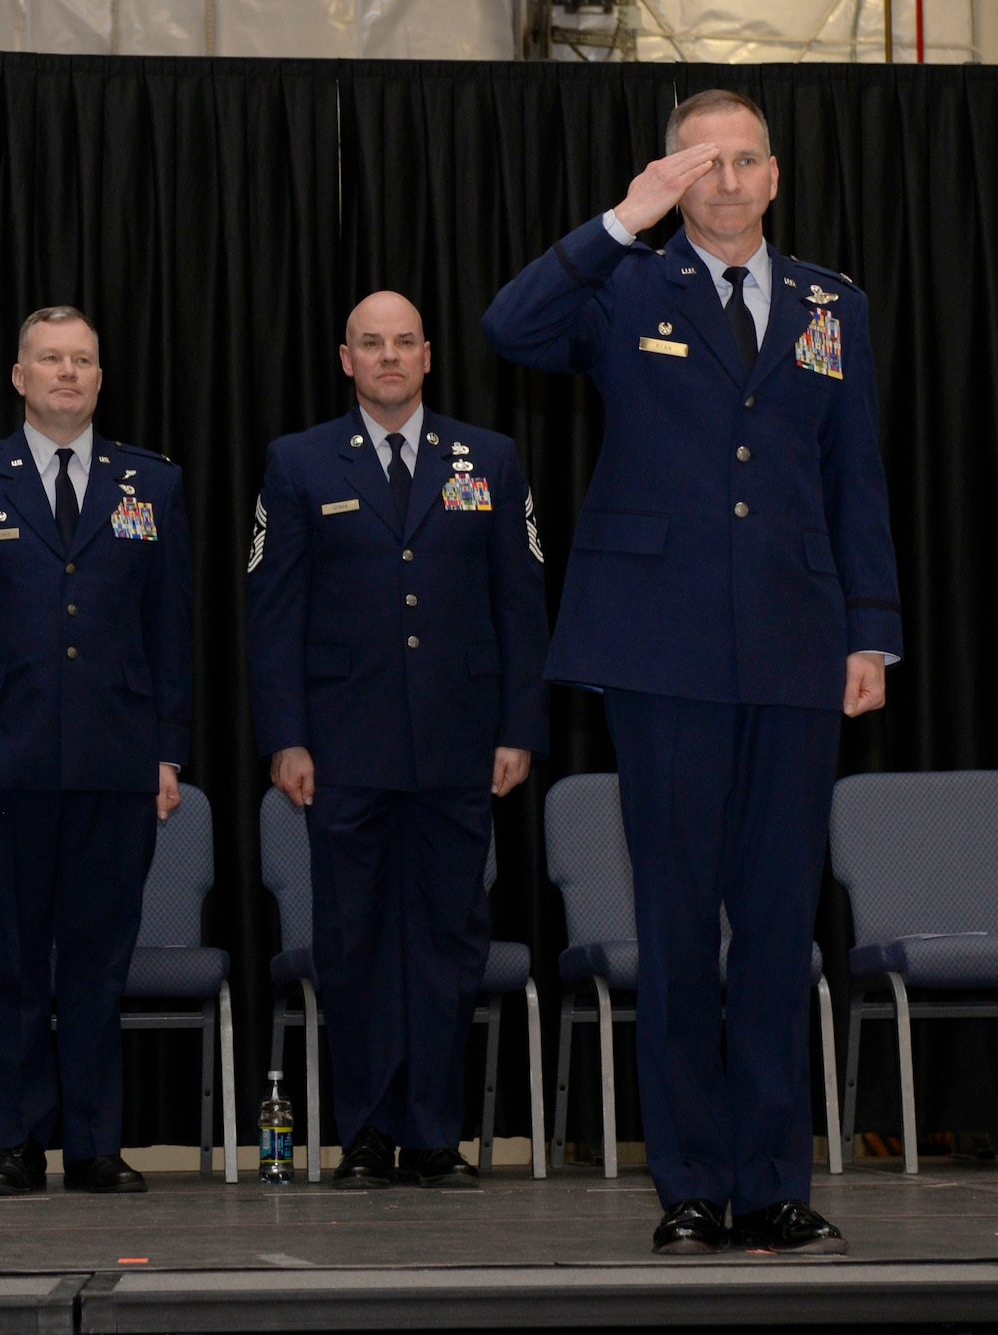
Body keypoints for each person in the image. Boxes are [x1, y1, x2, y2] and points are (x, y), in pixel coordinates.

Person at [483, 89, 902, 1255]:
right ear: (669, 176)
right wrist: (620, 222)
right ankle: (689, 1184)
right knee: (675, 924)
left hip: (794, 643)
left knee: (775, 924)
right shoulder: (622, 284)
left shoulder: (832, 305)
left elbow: (851, 474)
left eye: (744, 160)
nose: (723, 178)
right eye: (698, 163)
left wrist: (869, 631)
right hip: (658, 644)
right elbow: (509, 329)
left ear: (775, 178)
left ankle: (771, 1180)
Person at [248, 291, 550, 1189]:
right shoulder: (298, 463)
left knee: (447, 941)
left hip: (460, 744)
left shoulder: (488, 457)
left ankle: (433, 1133)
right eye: (370, 344)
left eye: (404, 342)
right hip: (342, 749)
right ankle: (369, 1131)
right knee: (354, 942)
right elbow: (275, 614)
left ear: (427, 356)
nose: (388, 357)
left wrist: (518, 726)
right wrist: (286, 736)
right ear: (346, 360)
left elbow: (521, 603)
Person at [0, 306, 193, 1196]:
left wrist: (169, 749)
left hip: (117, 756)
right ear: (19, 377)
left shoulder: (152, 483)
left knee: (102, 956)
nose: (67, 373)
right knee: (18, 959)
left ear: (100, 379)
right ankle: (18, 1144)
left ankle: (97, 1144)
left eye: (82, 360)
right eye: (49, 359)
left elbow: (171, 629)